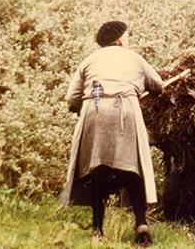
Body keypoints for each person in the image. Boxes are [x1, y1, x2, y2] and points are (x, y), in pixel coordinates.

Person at [60, 21, 163, 246]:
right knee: (131, 167)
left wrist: (78, 108)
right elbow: (158, 84)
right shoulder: (133, 58)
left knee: (98, 171)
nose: (127, 40)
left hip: (94, 109)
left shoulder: (89, 60)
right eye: (126, 36)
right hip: (125, 110)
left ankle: (97, 230)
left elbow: (71, 98)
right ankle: (141, 223)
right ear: (119, 39)